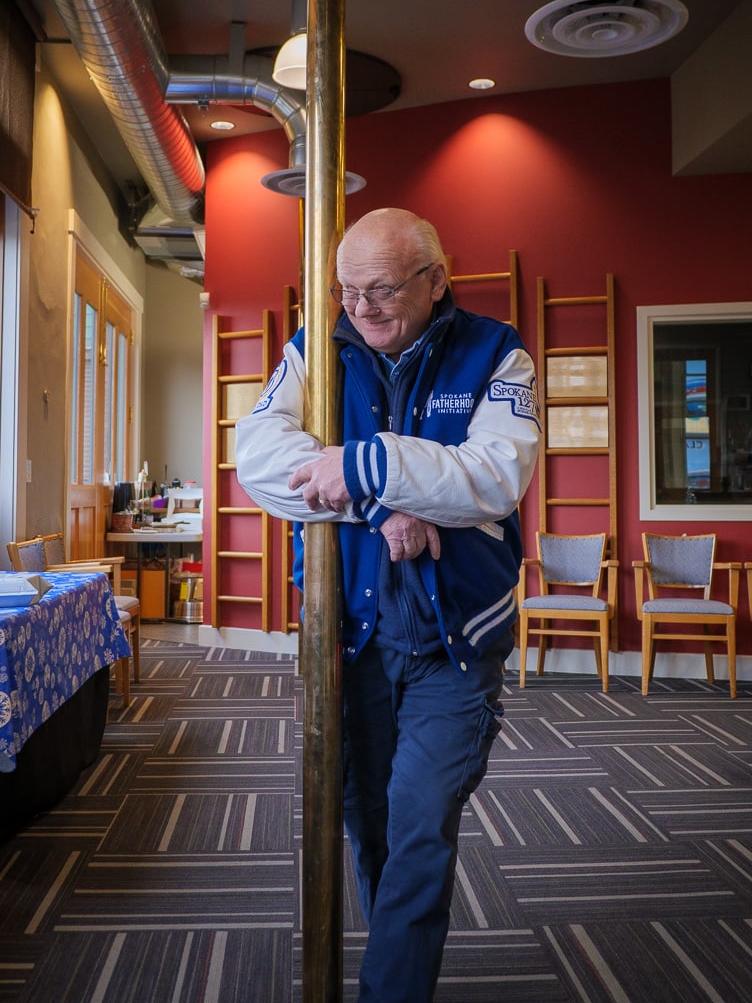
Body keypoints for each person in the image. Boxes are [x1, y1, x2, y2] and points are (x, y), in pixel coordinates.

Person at [235, 207, 540, 1002]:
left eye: (380, 289)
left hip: (452, 648)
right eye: (346, 291)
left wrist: (364, 466)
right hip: (354, 644)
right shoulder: (319, 346)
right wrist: (382, 504)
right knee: (366, 822)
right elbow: (260, 459)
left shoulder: (497, 353)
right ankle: (395, 966)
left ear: (436, 280)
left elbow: (494, 477)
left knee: (416, 826)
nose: (360, 308)